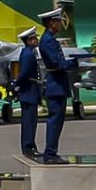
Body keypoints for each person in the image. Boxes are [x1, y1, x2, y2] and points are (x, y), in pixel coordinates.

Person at [38, 8, 73, 164]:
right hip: (55, 84)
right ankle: (50, 153)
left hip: (58, 83)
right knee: (55, 120)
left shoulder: (50, 38)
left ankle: (52, 151)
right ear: (52, 23)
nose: (60, 24)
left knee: (58, 121)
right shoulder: (47, 40)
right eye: (59, 21)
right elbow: (55, 63)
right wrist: (72, 63)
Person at [14, 25, 44, 160]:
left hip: (30, 90)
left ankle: (29, 145)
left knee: (30, 120)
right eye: (34, 38)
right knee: (29, 121)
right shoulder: (28, 54)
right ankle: (28, 146)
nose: (36, 40)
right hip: (29, 90)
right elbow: (24, 73)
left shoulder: (29, 52)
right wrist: (17, 84)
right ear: (29, 40)